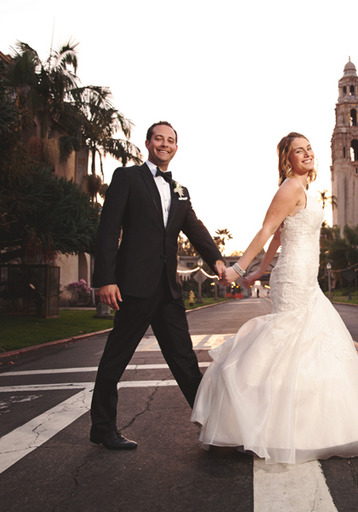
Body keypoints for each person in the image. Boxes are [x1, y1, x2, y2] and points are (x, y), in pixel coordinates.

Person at [191, 132, 358, 464]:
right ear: (286, 158)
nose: (306, 154)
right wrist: (237, 268)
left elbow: (279, 235)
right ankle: (250, 408)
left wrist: (259, 272)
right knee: (289, 341)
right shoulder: (290, 187)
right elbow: (265, 229)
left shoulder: (301, 189)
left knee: (312, 344)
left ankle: (312, 425)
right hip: (293, 277)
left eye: (308, 149)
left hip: (305, 277)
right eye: (297, 151)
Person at [91, 121, 227, 450]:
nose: (164, 144)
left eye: (171, 140)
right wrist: (106, 279)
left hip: (167, 290)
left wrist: (218, 261)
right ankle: (102, 428)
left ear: (175, 148)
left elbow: (195, 229)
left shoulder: (180, 190)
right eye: (159, 138)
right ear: (149, 143)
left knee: (184, 359)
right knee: (116, 358)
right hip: (133, 286)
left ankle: (215, 427)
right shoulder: (126, 178)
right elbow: (108, 230)